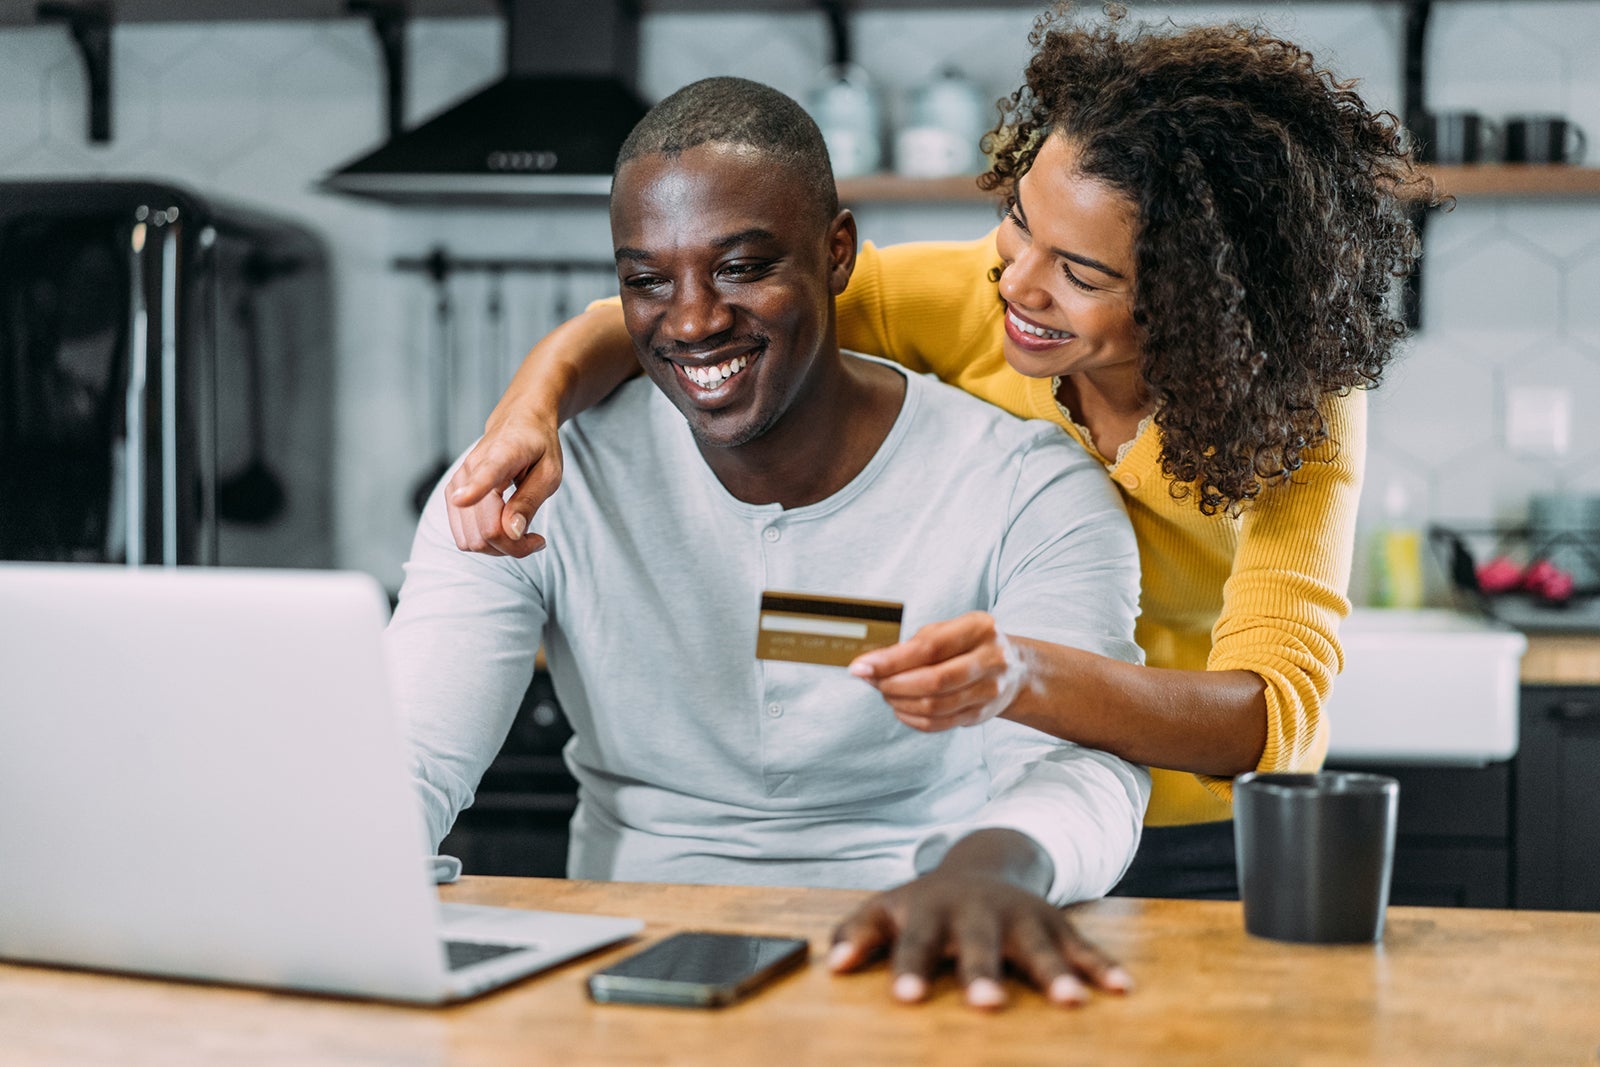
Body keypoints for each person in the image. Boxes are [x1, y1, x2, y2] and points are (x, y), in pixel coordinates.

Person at [444, 9, 1428, 899]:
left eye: (1079, 271)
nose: (1018, 283)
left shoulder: (1294, 411)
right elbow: (699, 311)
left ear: (1201, 299)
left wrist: (1022, 677)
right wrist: (530, 410)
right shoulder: (975, 288)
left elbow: (1271, 717)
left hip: (1192, 825)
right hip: (1003, 811)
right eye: (1019, 221)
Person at [387, 75, 1151, 1010]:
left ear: (838, 252)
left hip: (925, 945)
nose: (696, 319)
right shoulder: (530, 482)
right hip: (623, 961)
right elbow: (408, 750)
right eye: (646, 281)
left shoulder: (1027, 485)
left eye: (743, 267)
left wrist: (999, 867)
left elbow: (1079, 761)